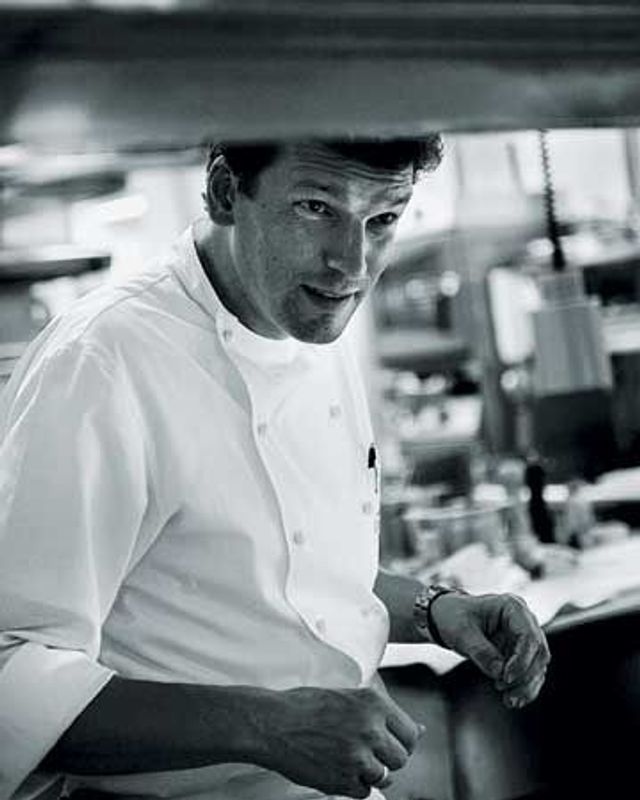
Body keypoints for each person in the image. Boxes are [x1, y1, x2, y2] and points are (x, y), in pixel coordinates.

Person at [0, 136, 550, 800]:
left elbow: (291, 573)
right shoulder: (101, 362)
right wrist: (267, 727)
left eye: (383, 218)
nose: (352, 264)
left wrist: (439, 611)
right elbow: (13, 678)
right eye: (316, 207)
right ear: (226, 191)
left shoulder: (308, 320)